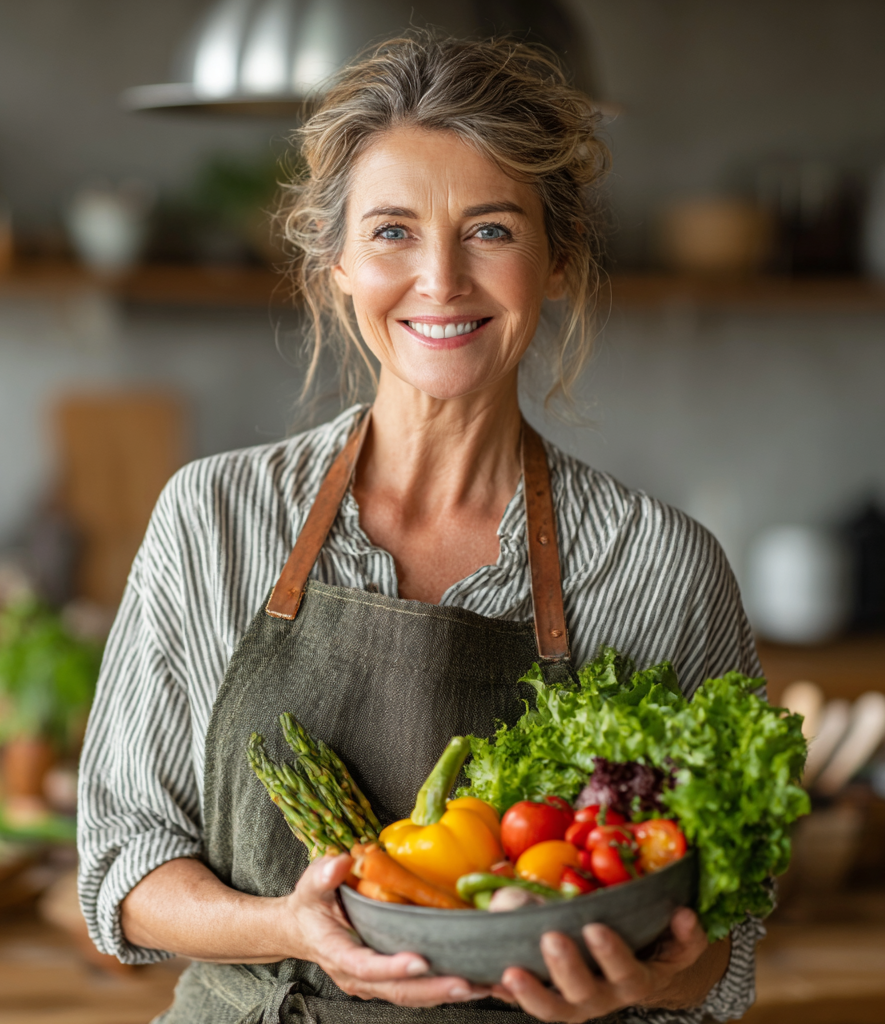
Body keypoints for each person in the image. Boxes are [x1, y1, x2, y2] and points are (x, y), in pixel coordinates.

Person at [78, 32, 764, 1024]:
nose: (439, 280)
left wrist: (654, 979)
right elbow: (120, 863)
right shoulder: (214, 518)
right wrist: (285, 925)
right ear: (338, 262)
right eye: (393, 231)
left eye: (489, 230)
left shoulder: (658, 567)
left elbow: (728, 940)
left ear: (556, 258)